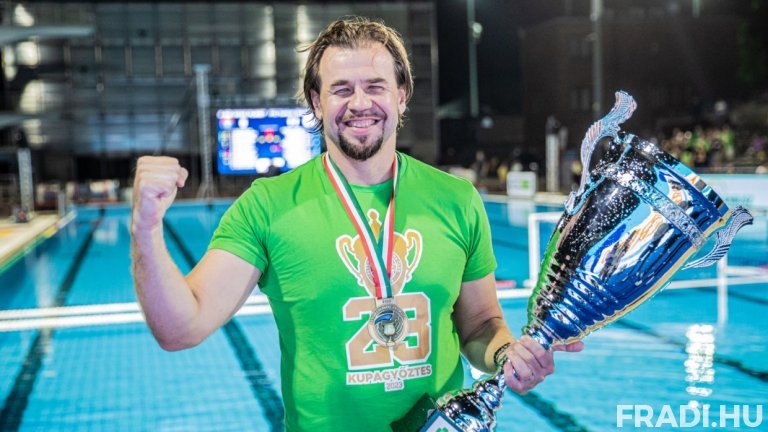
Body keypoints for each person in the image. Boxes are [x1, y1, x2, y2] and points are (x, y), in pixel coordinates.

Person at [130, 17, 583, 431]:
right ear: (317, 101)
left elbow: (481, 325)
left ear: (401, 95)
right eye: (341, 89)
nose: (360, 103)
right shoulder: (267, 206)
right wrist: (146, 229)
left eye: (375, 86)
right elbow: (181, 328)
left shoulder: (456, 200)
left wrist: (507, 353)